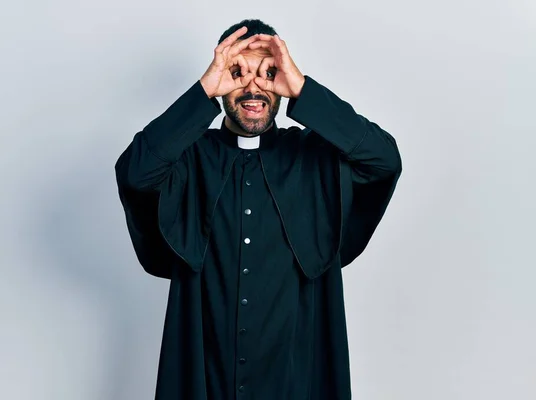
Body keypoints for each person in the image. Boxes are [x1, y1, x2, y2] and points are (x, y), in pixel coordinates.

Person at [115, 19, 402, 400]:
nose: (253, 87)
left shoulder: (314, 157)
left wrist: (303, 90)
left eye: (267, 72)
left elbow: (385, 161)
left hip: (297, 375)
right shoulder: (190, 158)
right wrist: (202, 92)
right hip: (207, 374)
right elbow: (135, 173)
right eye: (237, 72)